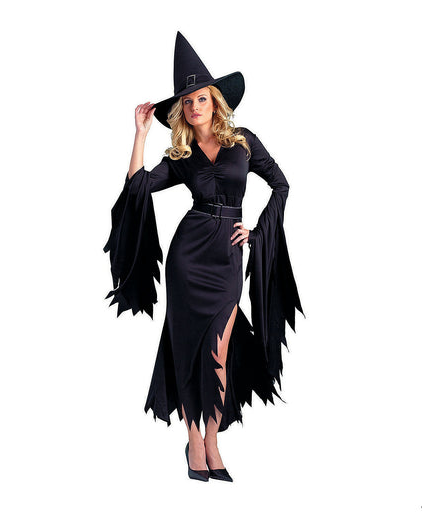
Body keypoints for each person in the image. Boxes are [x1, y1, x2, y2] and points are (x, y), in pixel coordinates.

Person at [103, 32, 304, 482]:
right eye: (187, 102)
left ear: (215, 102)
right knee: (186, 349)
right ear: (181, 111)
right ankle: (197, 441)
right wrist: (140, 135)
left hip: (227, 259)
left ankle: (212, 438)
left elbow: (282, 185)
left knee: (217, 353)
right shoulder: (182, 155)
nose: (195, 106)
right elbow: (138, 188)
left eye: (201, 98)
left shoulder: (243, 142)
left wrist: (258, 232)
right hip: (188, 259)